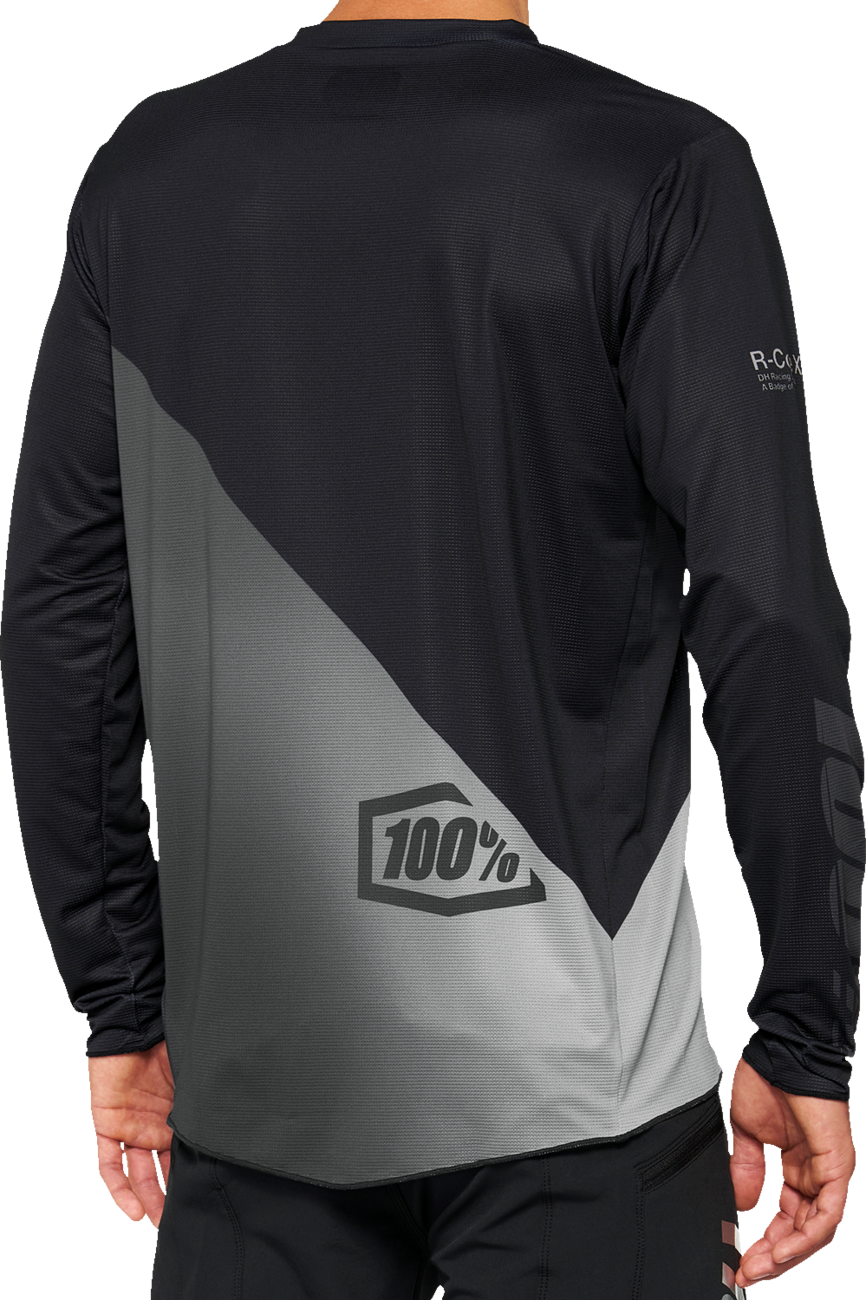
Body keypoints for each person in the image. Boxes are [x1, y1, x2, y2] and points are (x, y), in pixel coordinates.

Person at [0, 0, 860, 1295]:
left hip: (256, 1110)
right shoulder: (658, 165)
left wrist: (118, 1005)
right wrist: (803, 1027)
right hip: (588, 1106)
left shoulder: (147, 173)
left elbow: (62, 612)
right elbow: (771, 615)